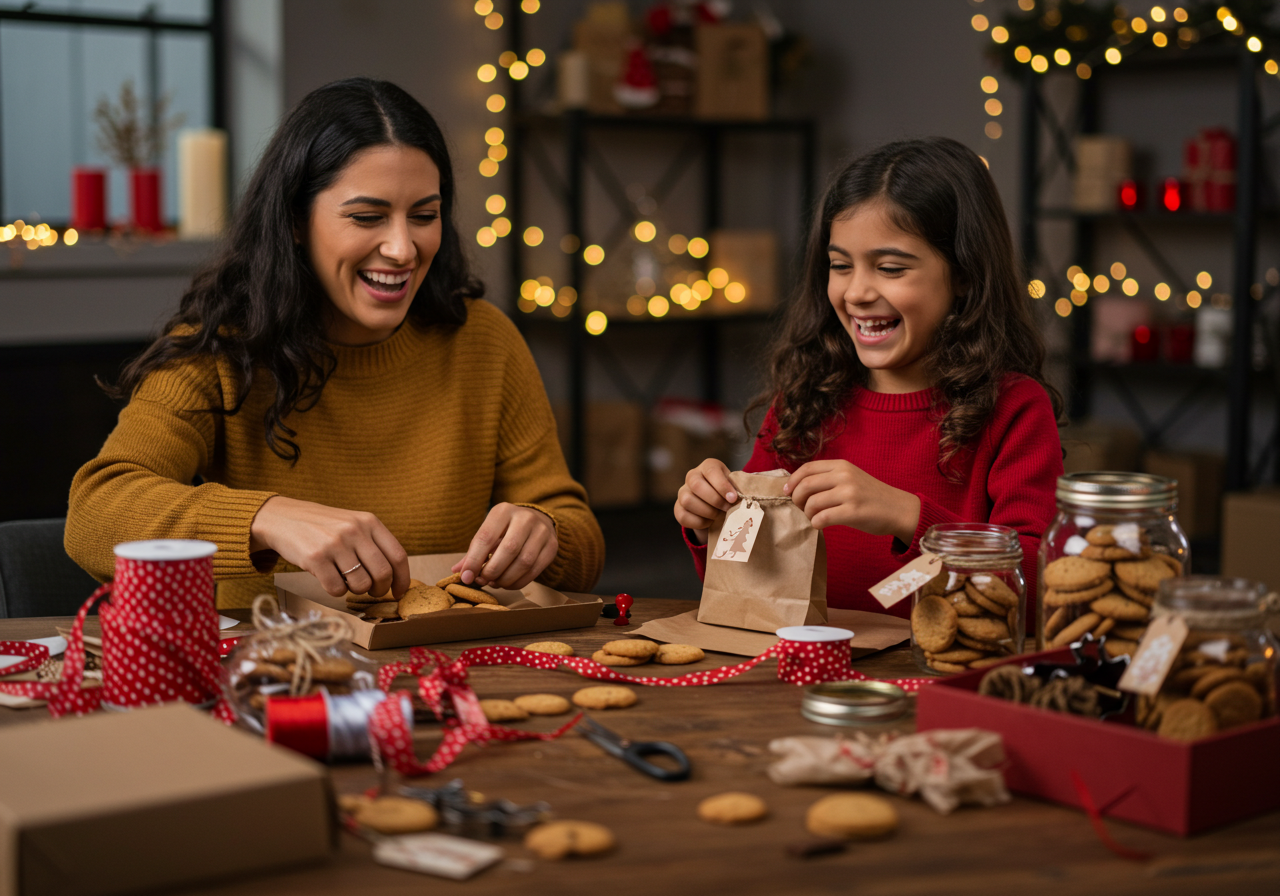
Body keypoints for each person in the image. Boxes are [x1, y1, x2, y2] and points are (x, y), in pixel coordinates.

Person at [66, 78, 604, 608]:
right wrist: (266, 518)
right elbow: (94, 515)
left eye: (424, 216)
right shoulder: (220, 348)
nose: (402, 248)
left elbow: (582, 543)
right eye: (366, 217)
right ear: (296, 221)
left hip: (454, 674)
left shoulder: (484, 340)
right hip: (275, 676)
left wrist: (544, 531)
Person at [673, 137, 1063, 622]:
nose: (856, 292)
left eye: (890, 268)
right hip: (800, 680)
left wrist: (906, 515)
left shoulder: (1013, 409)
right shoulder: (803, 400)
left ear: (964, 274)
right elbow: (744, 590)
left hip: (935, 682)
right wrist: (706, 520)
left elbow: (1037, 580)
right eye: (840, 266)